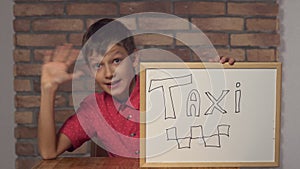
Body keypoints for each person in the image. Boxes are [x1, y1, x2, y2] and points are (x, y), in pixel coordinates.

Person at [38, 18, 235, 160]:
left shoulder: (163, 87)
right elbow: (49, 152)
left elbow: (208, 114)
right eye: (98, 65)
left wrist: (227, 76)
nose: (108, 73)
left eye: (116, 60)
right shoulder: (93, 109)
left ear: (134, 59)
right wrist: (48, 90)